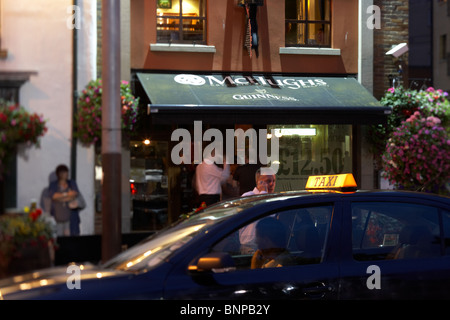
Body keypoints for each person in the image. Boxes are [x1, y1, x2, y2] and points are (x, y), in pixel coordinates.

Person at [239, 167, 277, 253]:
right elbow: (262, 211)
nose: (272, 184)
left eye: (273, 181)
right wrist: (263, 192)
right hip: (250, 247)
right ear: (258, 182)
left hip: (267, 247)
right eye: (268, 181)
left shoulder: (271, 199)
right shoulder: (248, 196)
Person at [48, 164, 83, 236]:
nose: (66, 174)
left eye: (66, 172)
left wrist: (60, 198)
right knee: (59, 238)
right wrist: (66, 194)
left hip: (71, 217)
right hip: (58, 218)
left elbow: (74, 194)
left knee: (71, 238)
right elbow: (53, 196)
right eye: (64, 172)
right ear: (59, 174)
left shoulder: (71, 183)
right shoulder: (53, 185)